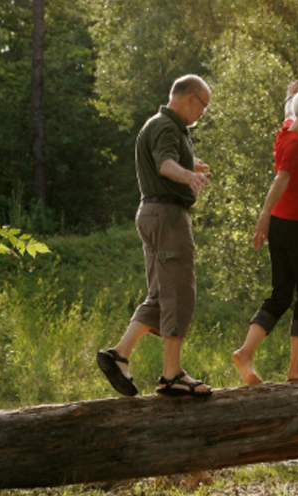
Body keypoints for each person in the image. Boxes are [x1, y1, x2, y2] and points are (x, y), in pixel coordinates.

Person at [97, 74, 213, 397]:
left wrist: (191, 164)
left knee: (160, 297)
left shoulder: (162, 126)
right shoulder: (167, 126)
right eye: (203, 106)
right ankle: (172, 375)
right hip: (168, 216)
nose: (202, 114)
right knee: (178, 294)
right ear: (190, 97)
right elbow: (164, 165)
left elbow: (166, 160)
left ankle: (118, 355)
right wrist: (187, 174)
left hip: (151, 213)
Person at [232, 79, 298, 385]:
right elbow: (281, 179)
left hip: (280, 225)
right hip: (296, 227)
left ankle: (246, 353)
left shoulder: (287, 130)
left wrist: (290, 95)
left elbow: (290, 110)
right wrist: (262, 216)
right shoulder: (296, 144)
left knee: (281, 293)